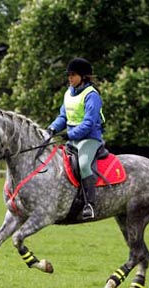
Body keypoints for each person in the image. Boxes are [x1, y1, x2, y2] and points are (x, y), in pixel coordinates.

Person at [46, 57, 105, 220]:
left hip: (89, 139)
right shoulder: (68, 94)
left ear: (83, 76)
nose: (69, 78)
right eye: (69, 75)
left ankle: (90, 205)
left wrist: (69, 134)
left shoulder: (92, 95)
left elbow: (88, 123)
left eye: (73, 75)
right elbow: (63, 116)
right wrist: (52, 128)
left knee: (84, 165)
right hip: (72, 139)